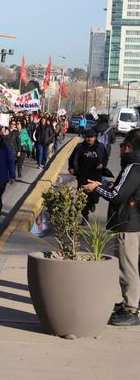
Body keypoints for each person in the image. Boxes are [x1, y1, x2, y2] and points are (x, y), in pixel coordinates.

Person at [83, 135, 140, 326]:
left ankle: (131, 308)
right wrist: (104, 185)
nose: (121, 149)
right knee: (131, 266)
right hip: (133, 223)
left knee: (127, 268)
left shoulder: (132, 168)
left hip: (127, 224)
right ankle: (129, 303)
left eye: (124, 146)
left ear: (131, 148)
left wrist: (96, 188)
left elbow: (116, 196)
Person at [68, 128, 108, 221]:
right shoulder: (79, 147)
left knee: (94, 198)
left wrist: (102, 164)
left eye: (91, 137)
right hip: (82, 176)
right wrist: (71, 168)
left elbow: (105, 159)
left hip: (96, 177)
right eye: (87, 137)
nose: (89, 139)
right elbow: (72, 159)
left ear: (95, 138)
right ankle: (84, 216)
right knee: (83, 198)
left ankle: (92, 204)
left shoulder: (100, 147)